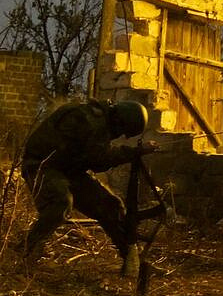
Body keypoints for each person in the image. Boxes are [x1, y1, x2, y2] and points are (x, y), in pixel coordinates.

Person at [19, 99, 156, 270]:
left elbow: (91, 157)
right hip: (40, 166)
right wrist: (133, 153)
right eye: (122, 131)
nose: (119, 135)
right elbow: (99, 160)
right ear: (119, 122)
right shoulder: (89, 119)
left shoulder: (99, 119)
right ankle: (29, 256)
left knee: (110, 206)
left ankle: (133, 261)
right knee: (61, 202)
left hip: (68, 170)